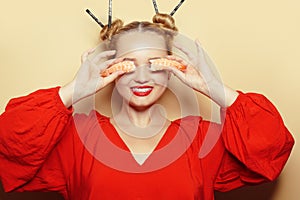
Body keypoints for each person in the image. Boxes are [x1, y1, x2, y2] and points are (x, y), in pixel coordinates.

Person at [0, 13, 294, 200]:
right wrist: (75, 90)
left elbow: (272, 152)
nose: (142, 77)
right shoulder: (78, 138)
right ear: (110, 68)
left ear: (172, 69)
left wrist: (212, 88)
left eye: (155, 64)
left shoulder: (201, 140)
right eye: (129, 65)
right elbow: (8, 143)